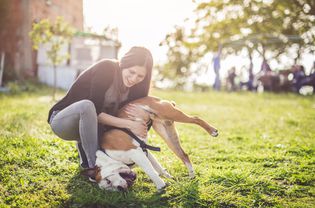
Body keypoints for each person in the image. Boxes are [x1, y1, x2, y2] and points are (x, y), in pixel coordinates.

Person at [47, 46, 153, 181]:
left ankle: (98, 162)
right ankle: (95, 166)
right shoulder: (107, 68)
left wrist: (141, 124)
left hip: (94, 128)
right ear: (123, 64)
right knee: (87, 106)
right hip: (64, 121)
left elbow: (133, 118)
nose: (133, 79)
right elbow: (95, 111)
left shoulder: (137, 89)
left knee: (114, 150)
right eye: (131, 72)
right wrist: (129, 124)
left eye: (140, 76)